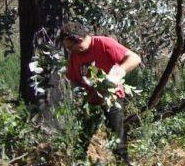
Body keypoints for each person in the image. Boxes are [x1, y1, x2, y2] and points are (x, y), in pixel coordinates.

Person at [60, 22, 141, 165]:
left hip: (112, 100)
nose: (70, 51)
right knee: (81, 141)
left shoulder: (104, 43)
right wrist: (78, 93)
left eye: (70, 47)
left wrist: (117, 73)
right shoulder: (74, 56)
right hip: (90, 103)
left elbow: (134, 58)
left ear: (79, 39)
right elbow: (73, 79)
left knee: (117, 144)